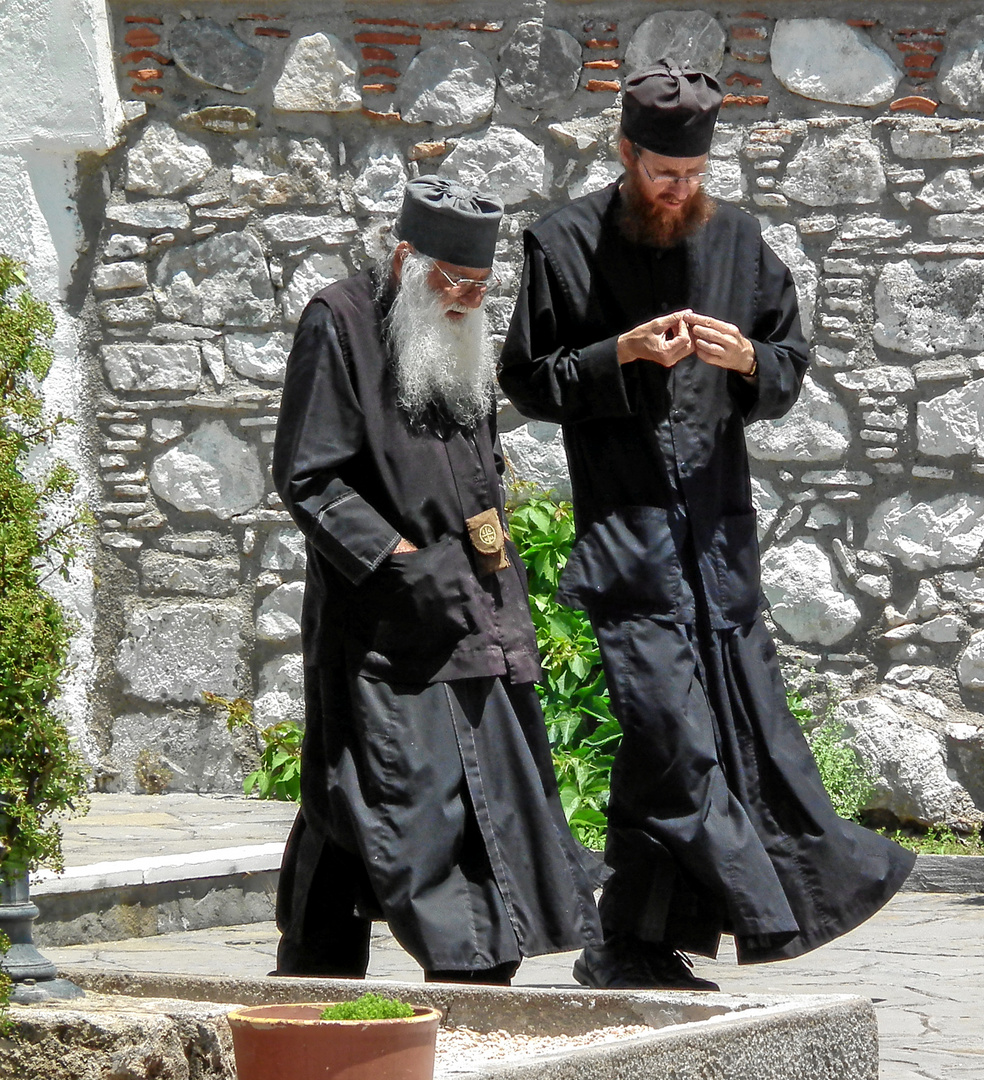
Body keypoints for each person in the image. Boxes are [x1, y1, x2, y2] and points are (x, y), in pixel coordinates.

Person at [498, 61, 914, 991]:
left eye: (692, 178)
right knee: (678, 741)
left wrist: (749, 360)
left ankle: (632, 944)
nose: (679, 192)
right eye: (661, 176)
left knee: (698, 740)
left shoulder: (739, 240)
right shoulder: (562, 244)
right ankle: (782, 901)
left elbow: (788, 364)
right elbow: (526, 381)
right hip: (630, 549)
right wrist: (619, 353)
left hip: (719, 549)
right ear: (624, 154)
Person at [271, 177, 601, 984]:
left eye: (480, 287)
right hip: (384, 617)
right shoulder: (339, 320)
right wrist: (396, 560)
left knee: (382, 792)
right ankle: (469, 964)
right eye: (452, 282)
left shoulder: (456, 331)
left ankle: (325, 965)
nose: (464, 299)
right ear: (406, 257)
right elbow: (309, 476)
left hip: (475, 604)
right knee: (403, 793)